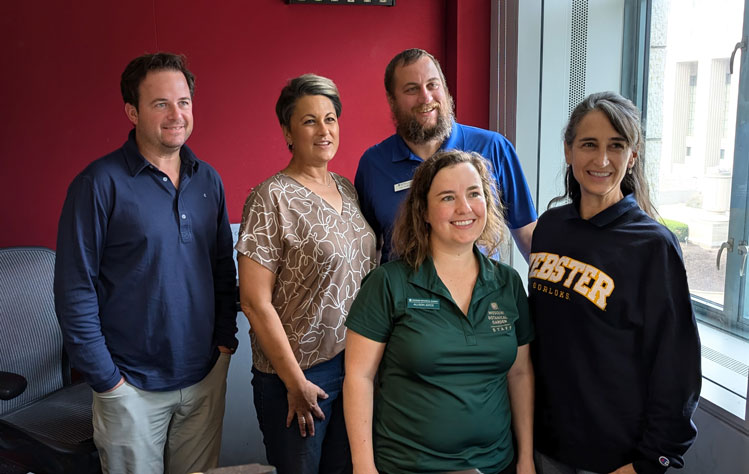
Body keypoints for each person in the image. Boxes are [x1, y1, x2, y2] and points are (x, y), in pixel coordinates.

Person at [54, 52, 237, 474]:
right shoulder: (98, 184)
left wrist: (225, 343)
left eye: (184, 102)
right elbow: (74, 289)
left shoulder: (207, 179)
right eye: (161, 104)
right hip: (130, 387)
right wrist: (108, 381)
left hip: (203, 375)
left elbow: (222, 269)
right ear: (132, 112)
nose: (177, 114)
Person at [529, 92, 701, 474]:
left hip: (615, 459)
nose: (602, 160)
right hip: (546, 448)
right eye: (589, 144)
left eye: (616, 146)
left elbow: (677, 364)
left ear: (633, 156)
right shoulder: (550, 227)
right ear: (568, 150)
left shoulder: (652, 245)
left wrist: (651, 459)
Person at [344, 150, 535, 474]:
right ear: (424, 211)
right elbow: (359, 378)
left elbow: (519, 374)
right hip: (408, 467)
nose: (464, 208)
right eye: (448, 197)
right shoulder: (388, 283)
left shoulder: (507, 283)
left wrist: (526, 459)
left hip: (495, 465)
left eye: (474, 194)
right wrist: (363, 467)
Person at [236, 73, 377, 474]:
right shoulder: (270, 197)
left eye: (330, 118)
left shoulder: (348, 190)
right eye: (309, 120)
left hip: (353, 368)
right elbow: (253, 301)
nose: (324, 130)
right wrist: (295, 383)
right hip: (297, 376)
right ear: (288, 131)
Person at [355, 48, 537, 263]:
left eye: (433, 85)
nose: (426, 97)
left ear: (445, 89)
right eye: (412, 89)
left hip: (481, 293)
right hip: (402, 294)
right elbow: (368, 249)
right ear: (392, 99)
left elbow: (527, 235)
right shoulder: (373, 164)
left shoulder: (493, 147)